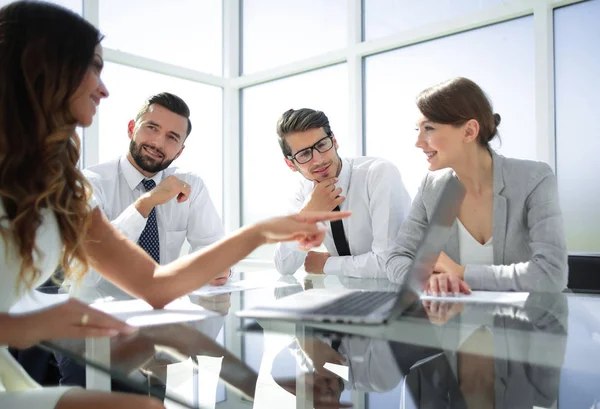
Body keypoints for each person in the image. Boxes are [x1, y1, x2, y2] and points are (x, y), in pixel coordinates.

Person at [0, 2, 348, 409]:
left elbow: (155, 285)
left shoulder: (63, 185)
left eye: (172, 137)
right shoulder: (93, 180)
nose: (103, 88)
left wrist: (262, 231)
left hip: (57, 354)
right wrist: (19, 326)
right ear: (47, 69)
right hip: (35, 352)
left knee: (151, 404)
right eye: (92, 67)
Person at [386, 77, 568, 295]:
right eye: (417, 129)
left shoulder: (534, 179)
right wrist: (431, 279)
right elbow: (396, 258)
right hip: (462, 322)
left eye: (429, 128)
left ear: (469, 131)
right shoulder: (431, 187)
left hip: (534, 321)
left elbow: (551, 274)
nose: (418, 142)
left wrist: (461, 273)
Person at [75, 92, 229, 299]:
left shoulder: (192, 186)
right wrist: (146, 203)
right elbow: (85, 273)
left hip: (167, 311)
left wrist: (218, 266)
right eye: (152, 128)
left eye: (172, 137)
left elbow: (212, 246)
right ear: (132, 129)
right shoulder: (91, 183)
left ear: (179, 151)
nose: (158, 142)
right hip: (103, 315)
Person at [274, 108, 410, 278]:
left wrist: (326, 265)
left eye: (322, 145)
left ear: (334, 141)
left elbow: (389, 263)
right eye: (304, 154)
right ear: (291, 164)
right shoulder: (303, 192)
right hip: (343, 297)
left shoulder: (378, 174)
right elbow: (284, 265)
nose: (319, 159)